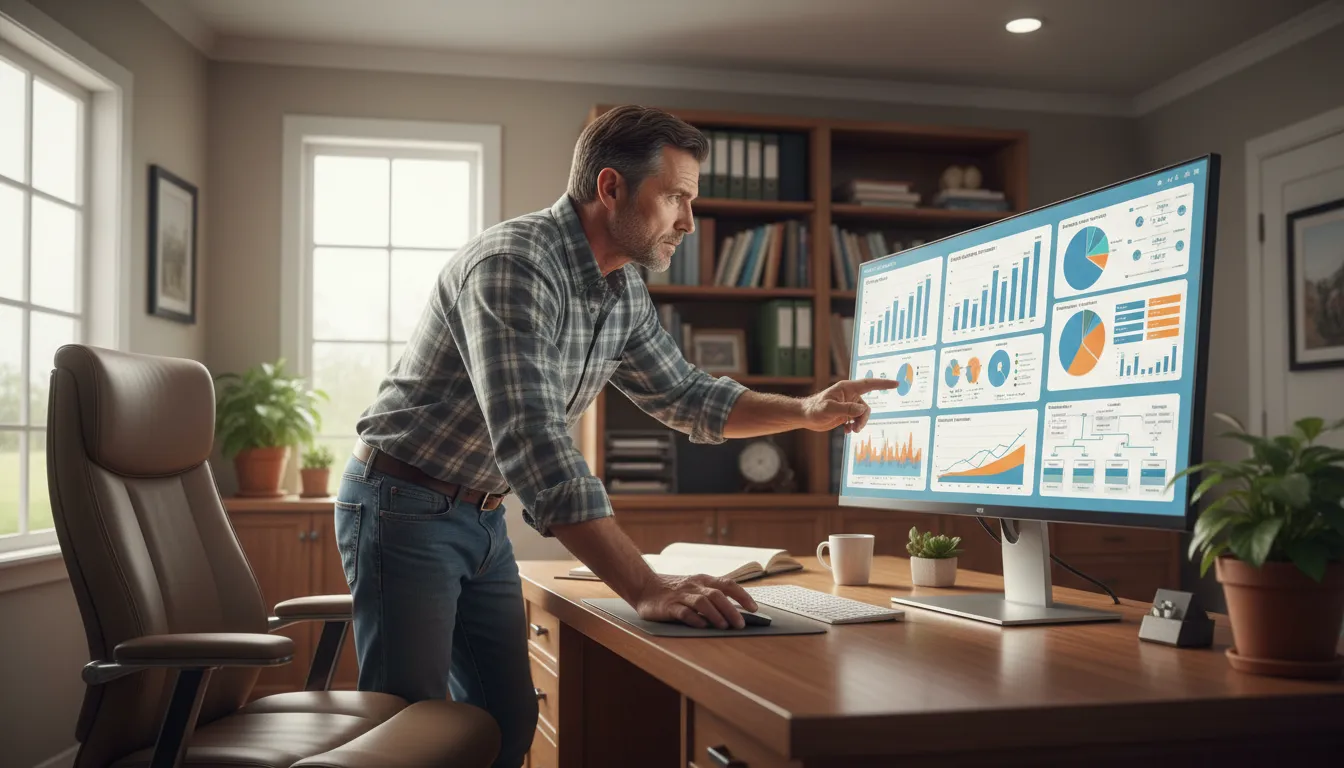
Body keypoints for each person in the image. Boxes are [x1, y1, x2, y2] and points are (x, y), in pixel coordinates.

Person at [334, 104, 896, 766]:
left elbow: (685, 394)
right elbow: (534, 442)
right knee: (414, 733)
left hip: (481, 515)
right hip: (404, 504)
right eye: (676, 198)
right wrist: (647, 587)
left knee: (504, 721)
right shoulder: (515, 264)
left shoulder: (622, 286)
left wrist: (803, 412)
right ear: (610, 188)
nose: (689, 221)